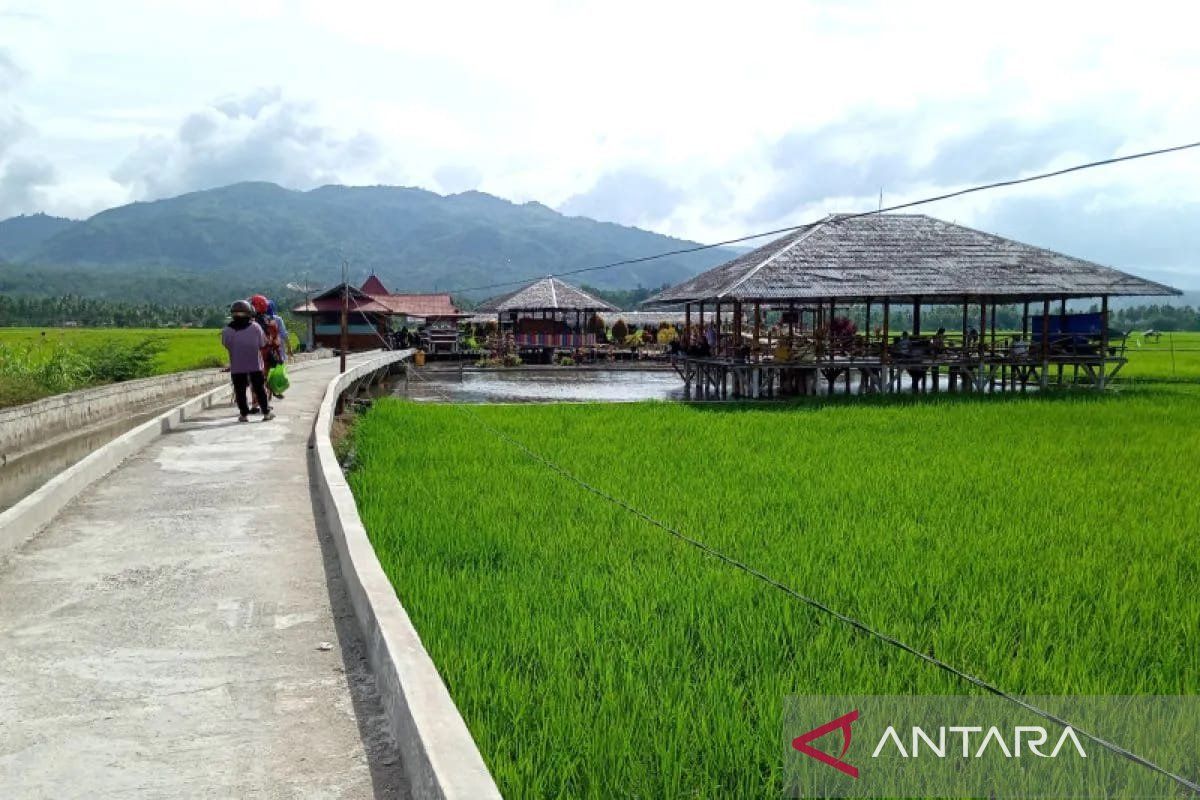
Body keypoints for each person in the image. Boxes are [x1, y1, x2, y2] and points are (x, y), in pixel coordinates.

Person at [221, 300, 274, 422]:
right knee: (259, 389)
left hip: (237, 366)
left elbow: (226, 344)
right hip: (255, 364)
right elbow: (262, 343)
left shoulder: (227, 330)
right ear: (249, 312)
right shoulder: (255, 327)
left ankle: (244, 415)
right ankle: (266, 413)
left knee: (240, 391)